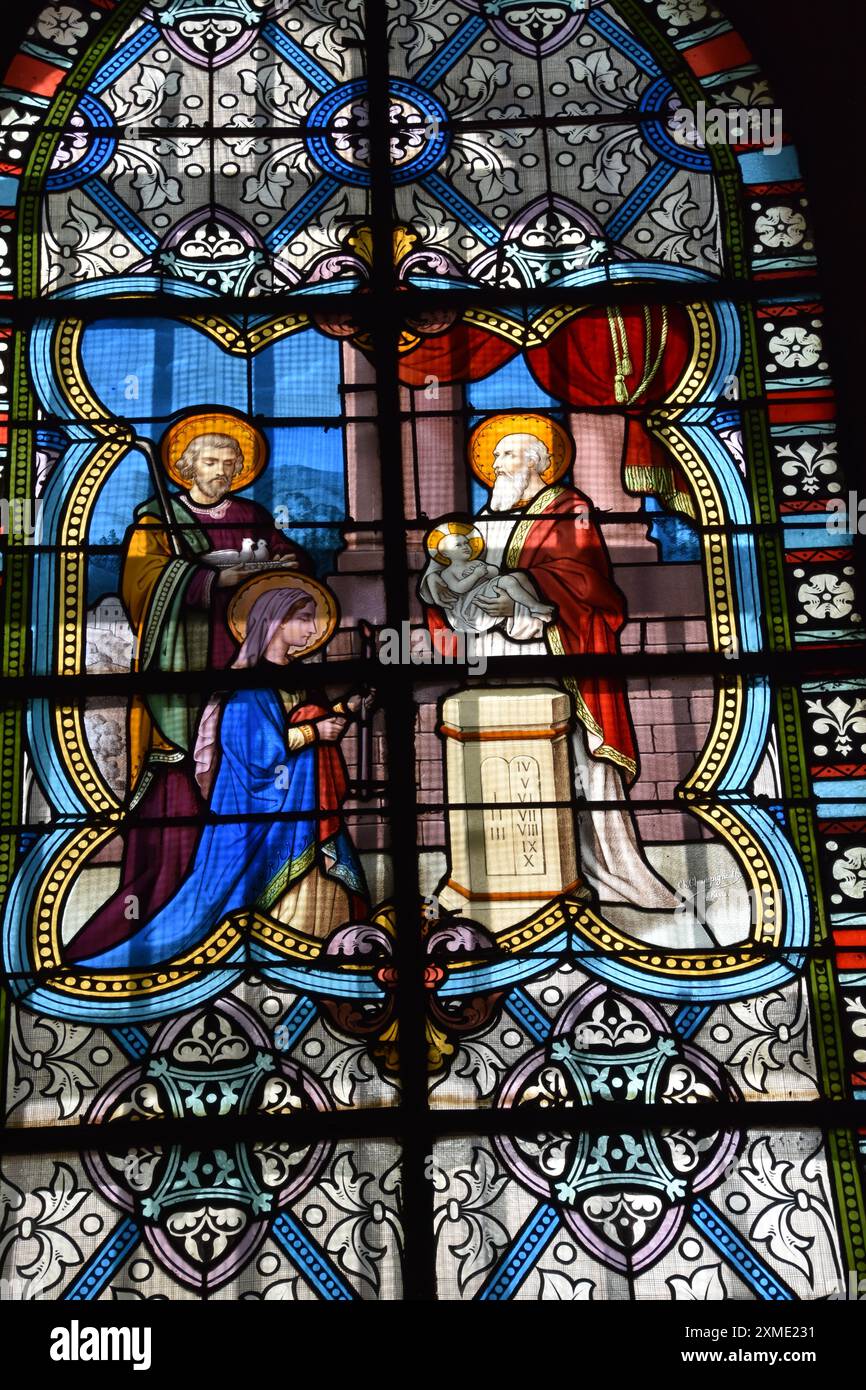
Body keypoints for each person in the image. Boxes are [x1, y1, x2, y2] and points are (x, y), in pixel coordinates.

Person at [66, 417, 308, 963]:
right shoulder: (159, 520)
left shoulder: (252, 516)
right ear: (184, 466)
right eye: (210, 461)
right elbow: (141, 585)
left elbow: (290, 559)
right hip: (184, 667)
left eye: (230, 462)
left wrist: (280, 564)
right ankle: (165, 906)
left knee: (250, 768)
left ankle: (250, 898)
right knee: (179, 787)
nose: (222, 471)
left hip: (247, 658)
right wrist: (204, 578)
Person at [425, 426, 679, 910]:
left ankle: (601, 871)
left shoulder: (569, 509)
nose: (498, 464)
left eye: (510, 455)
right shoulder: (482, 522)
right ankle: (500, 873)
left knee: (583, 764)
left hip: (560, 656)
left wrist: (527, 592)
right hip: (494, 659)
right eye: (495, 456)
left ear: (541, 462)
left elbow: (588, 581)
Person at [73, 583, 369, 971]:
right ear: (276, 622)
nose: (313, 630)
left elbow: (309, 721)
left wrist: (347, 706)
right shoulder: (243, 686)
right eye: (305, 619)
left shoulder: (302, 678)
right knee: (213, 902)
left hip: (302, 805)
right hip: (251, 807)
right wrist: (314, 732)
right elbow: (259, 753)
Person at [419, 519, 555, 635]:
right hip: (470, 608)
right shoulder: (447, 573)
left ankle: (534, 606)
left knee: (512, 578)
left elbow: (494, 572)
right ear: (445, 554)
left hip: (486, 592)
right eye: (458, 545)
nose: (465, 546)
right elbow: (459, 588)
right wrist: (475, 575)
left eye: (467, 543)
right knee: (508, 580)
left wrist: (484, 570)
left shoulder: (476, 563)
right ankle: (532, 608)